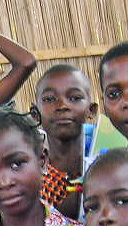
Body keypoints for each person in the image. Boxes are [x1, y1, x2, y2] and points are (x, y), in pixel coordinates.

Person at [33, 64, 97, 218]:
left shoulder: (107, 156)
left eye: (74, 98)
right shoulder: (28, 170)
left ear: (91, 110)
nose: (62, 106)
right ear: (35, 113)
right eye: (50, 99)